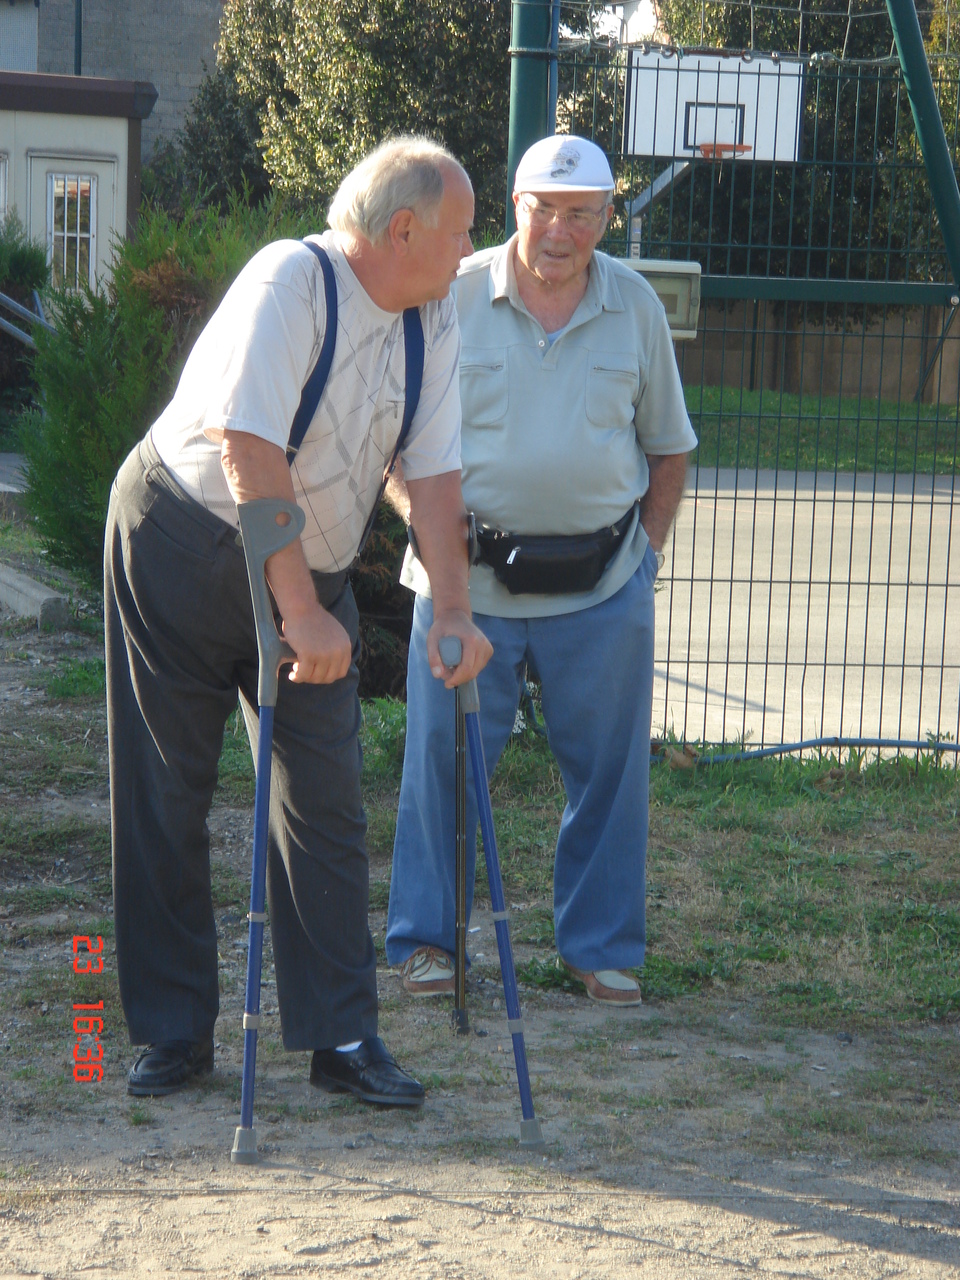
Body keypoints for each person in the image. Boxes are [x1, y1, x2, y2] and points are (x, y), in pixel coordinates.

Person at [105, 136, 491, 1101]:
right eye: (461, 231)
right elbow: (249, 449)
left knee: (324, 796)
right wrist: (299, 615)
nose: (469, 251)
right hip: (184, 537)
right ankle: (171, 1030)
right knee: (167, 783)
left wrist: (453, 609)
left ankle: (342, 1040)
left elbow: (433, 473)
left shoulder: (431, 316)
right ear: (403, 229)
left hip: (301, 557)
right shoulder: (292, 278)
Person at [385, 134, 697, 1006]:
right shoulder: (449, 296)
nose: (560, 232)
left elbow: (669, 450)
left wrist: (645, 565)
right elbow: (395, 449)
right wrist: (435, 544)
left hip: (602, 588)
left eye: (581, 214)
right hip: (465, 588)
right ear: (513, 207)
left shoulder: (634, 308)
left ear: (607, 217)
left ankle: (599, 950)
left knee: (609, 773)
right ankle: (425, 944)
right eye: (543, 210)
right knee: (441, 766)